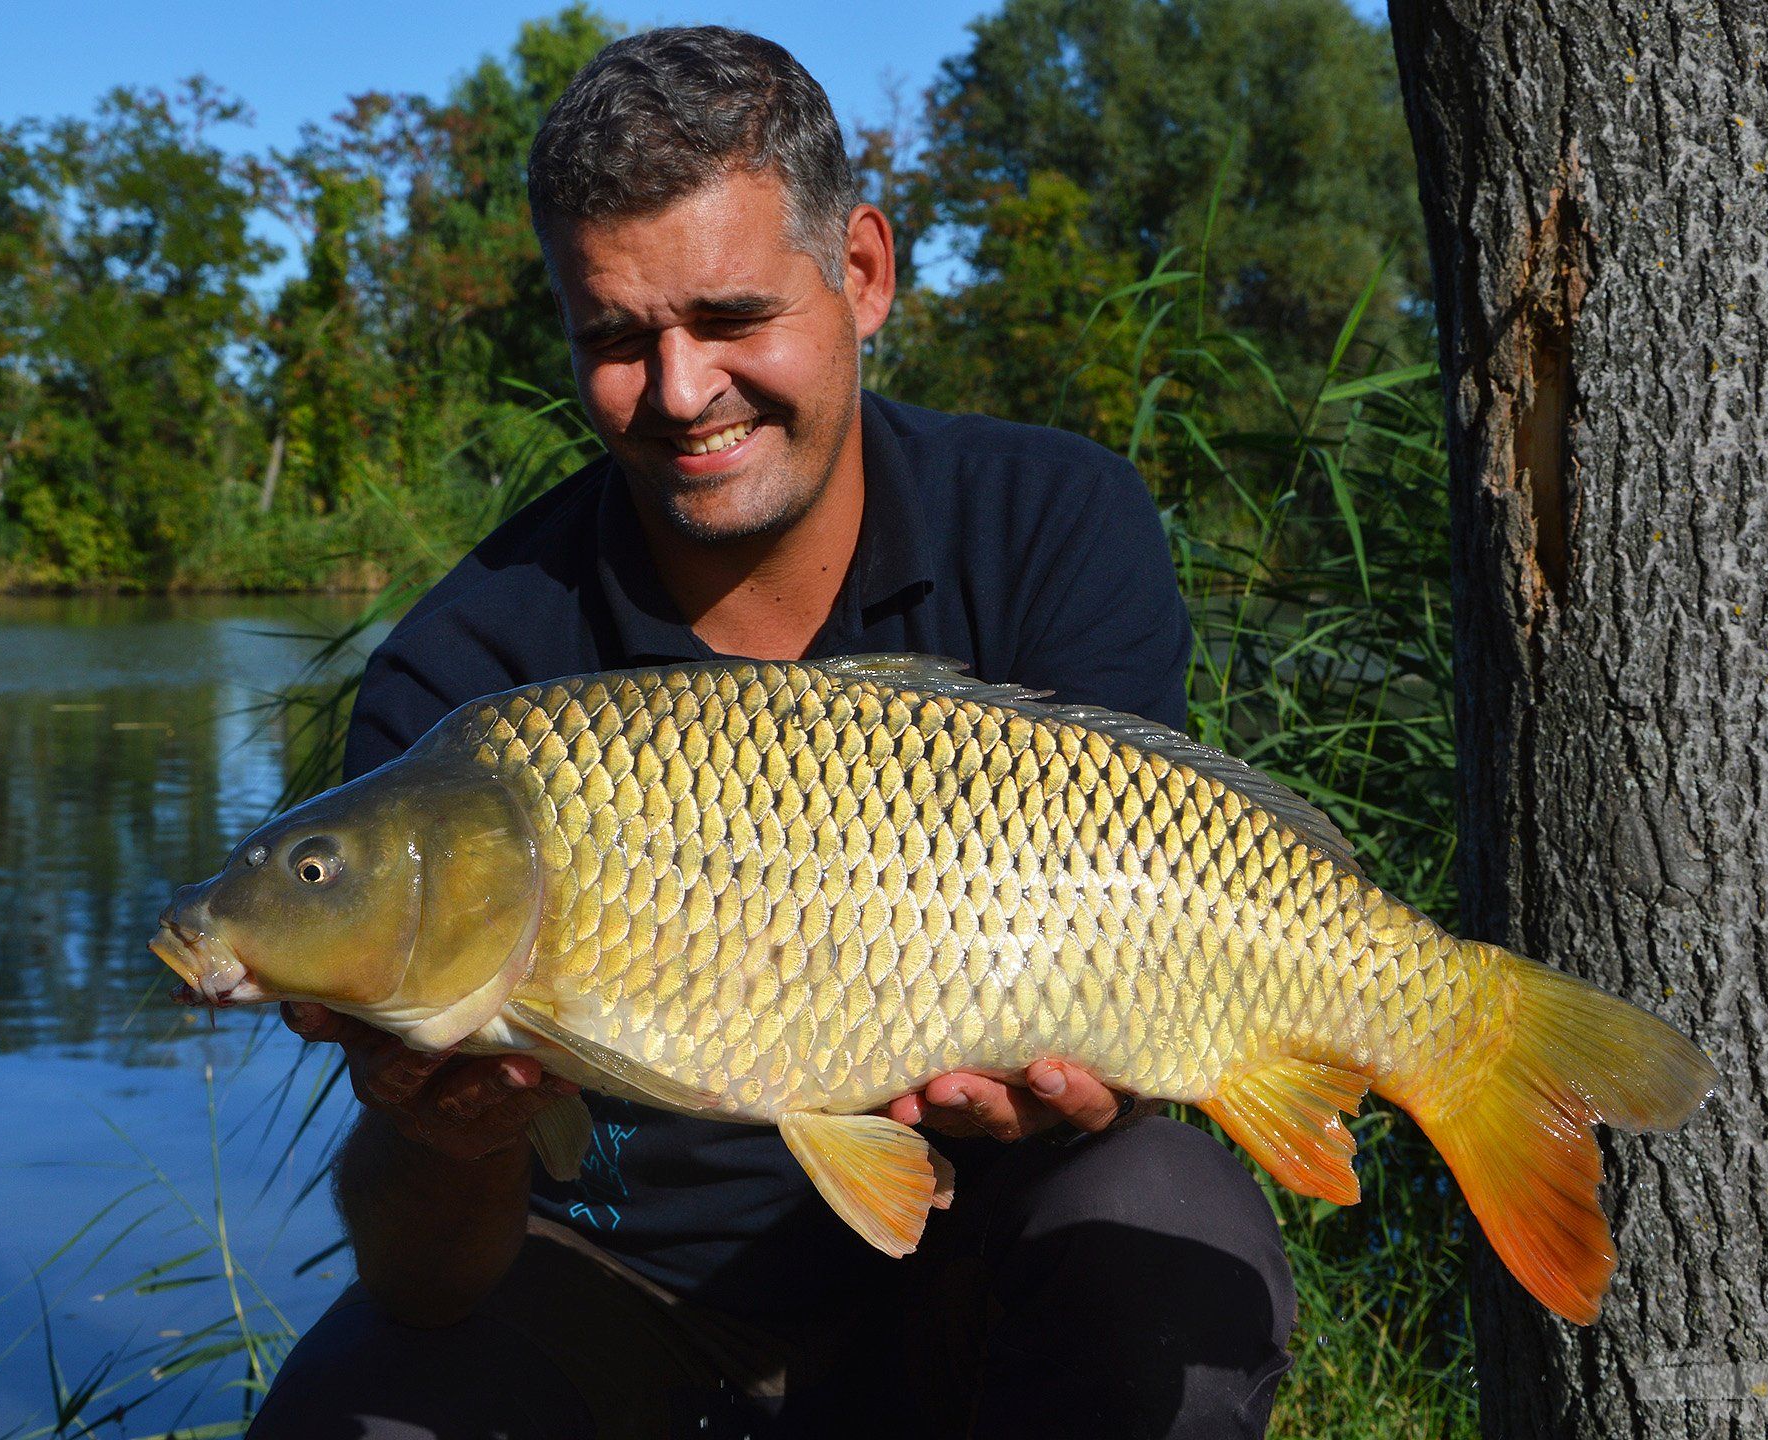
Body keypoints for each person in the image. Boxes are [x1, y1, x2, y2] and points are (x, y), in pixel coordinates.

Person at [250, 26, 1294, 1440]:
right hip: (622, 1299)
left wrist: (1083, 1099)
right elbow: (425, 1282)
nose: (681, 394)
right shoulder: (472, 683)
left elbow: (1134, 1031)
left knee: (1163, 1213)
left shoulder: (1053, 523)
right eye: (617, 338)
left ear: (862, 272)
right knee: (354, 1412)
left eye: (731, 317)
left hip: (975, 1271)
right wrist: (444, 1137)